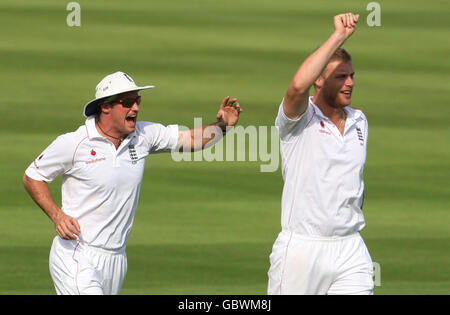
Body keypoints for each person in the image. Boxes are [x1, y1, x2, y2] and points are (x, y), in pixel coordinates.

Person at [22, 71, 242, 295]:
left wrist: (222, 126)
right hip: (76, 252)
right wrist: (57, 215)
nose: (135, 108)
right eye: (127, 102)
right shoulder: (74, 143)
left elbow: (191, 139)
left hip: (116, 259)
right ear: (105, 107)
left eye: (137, 101)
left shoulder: (144, 135)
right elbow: (33, 176)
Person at [267, 13, 374, 295]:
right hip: (302, 251)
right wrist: (339, 35)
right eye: (341, 77)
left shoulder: (359, 121)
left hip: (351, 248)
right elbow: (297, 87)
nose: (350, 83)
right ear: (320, 81)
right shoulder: (300, 119)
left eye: (352, 76)